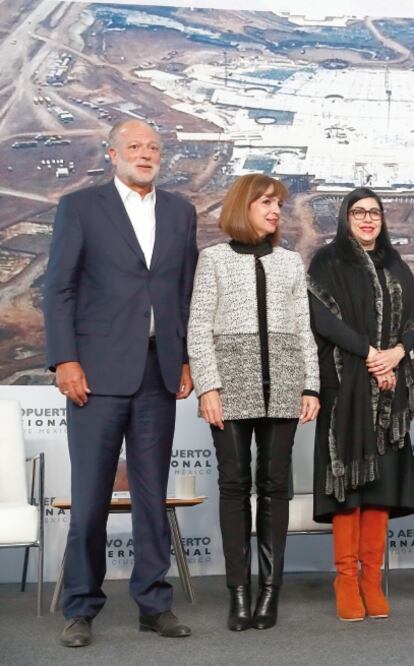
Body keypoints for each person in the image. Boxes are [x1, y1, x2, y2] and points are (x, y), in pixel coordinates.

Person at [44, 119, 198, 647]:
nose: (145, 154)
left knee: (152, 497)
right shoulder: (81, 207)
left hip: (159, 373)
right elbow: (59, 289)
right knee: (90, 498)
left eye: (153, 147)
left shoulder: (180, 211)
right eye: (134, 146)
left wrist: (183, 359)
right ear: (112, 154)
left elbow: (181, 291)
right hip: (96, 375)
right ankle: (81, 606)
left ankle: (154, 604)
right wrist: (65, 360)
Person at [187, 173, 320, 630]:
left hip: (283, 384)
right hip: (230, 386)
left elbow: (304, 328)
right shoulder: (214, 260)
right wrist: (208, 386)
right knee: (234, 486)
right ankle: (238, 592)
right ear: (242, 206)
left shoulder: (288, 262)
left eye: (278, 203)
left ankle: (269, 591)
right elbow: (199, 327)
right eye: (265, 202)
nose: (274, 210)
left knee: (275, 487)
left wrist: (311, 386)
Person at [307, 188, 414, 622]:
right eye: (359, 213)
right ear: (346, 217)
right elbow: (322, 317)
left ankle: (371, 580)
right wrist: (369, 352)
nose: (368, 219)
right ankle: (346, 580)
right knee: (348, 487)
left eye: (375, 212)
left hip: (391, 389)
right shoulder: (327, 261)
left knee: (380, 489)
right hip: (346, 387)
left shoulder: (395, 263)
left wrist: (397, 352)